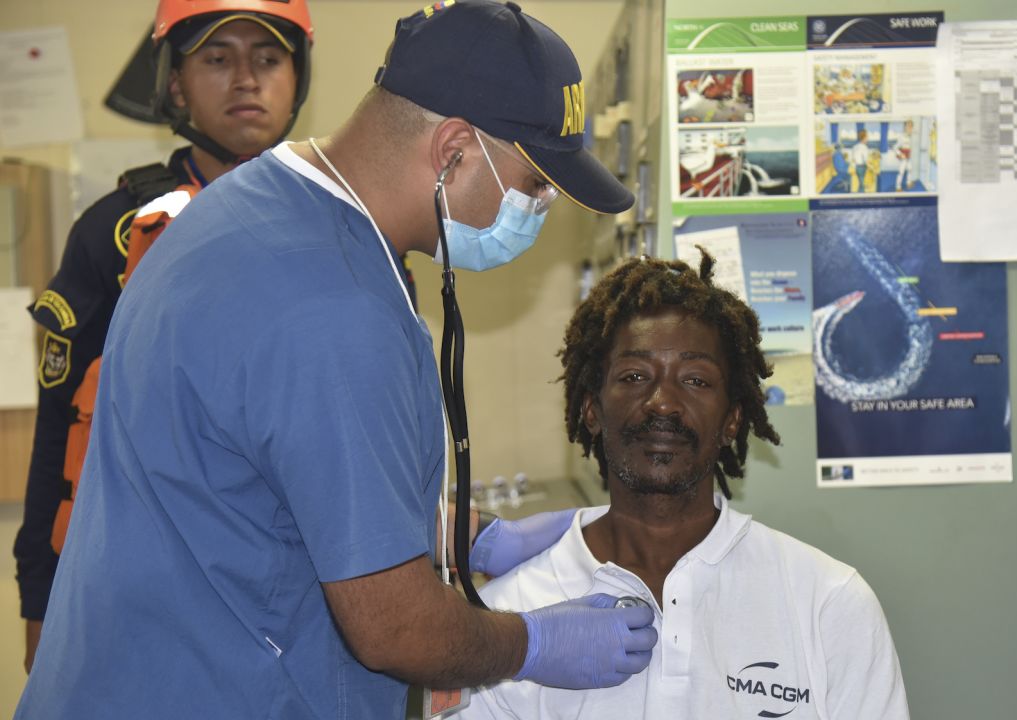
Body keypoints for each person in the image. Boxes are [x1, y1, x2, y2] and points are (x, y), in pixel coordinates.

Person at [16, 2, 657, 717]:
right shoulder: (334, 308)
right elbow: (394, 628)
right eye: (536, 183)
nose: (539, 207)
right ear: (451, 152)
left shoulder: (250, 207)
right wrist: (534, 645)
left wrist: (471, 536)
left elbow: (259, 482)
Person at [460, 250, 910, 719]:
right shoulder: (510, 621)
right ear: (591, 409)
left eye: (695, 380)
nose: (663, 403)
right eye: (635, 376)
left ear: (732, 420)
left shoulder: (828, 603)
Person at [13, 0, 321, 674]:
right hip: (145, 590)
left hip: (308, 589)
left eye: (268, 58)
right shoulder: (116, 231)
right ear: (176, 83)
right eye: (217, 58)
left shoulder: (346, 223)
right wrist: (40, 597)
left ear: (297, 78)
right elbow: (61, 428)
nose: (246, 78)